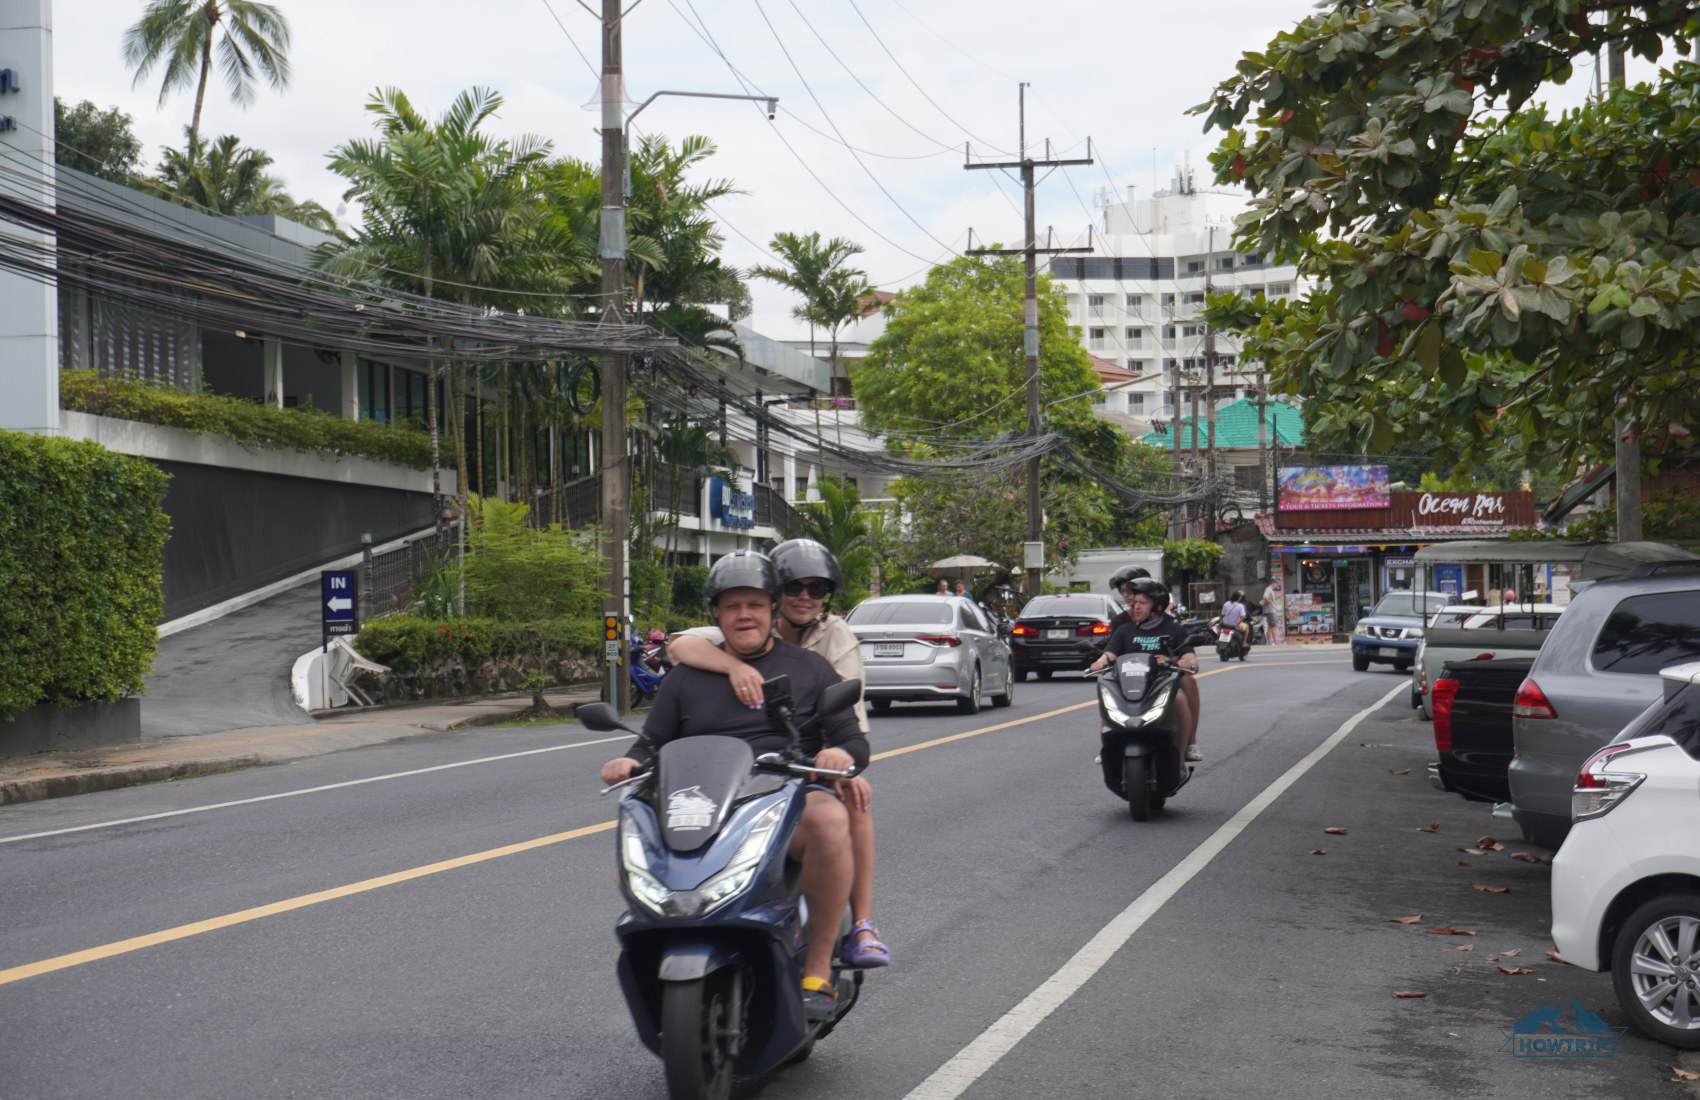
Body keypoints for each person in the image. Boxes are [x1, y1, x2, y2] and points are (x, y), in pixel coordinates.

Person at [601, 551, 867, 1020]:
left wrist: (839, 754)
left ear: (771, 611)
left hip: (782, 798)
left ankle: (819, 971)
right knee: (638, 819)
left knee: (829, 818)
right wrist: (627, 761)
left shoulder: (810, 670)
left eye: (755, 605)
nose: (744, 615)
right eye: (732, 606)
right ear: (716, 616)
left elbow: (849, 737)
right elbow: (651, 741)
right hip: (703, 802)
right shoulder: (686, 676)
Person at [665, 539, 890, 969]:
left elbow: (846, 717)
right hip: (742, 773)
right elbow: (679, 647)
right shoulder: (743, 624)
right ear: (773, 593)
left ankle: (861, 923)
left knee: (854, 799)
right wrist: (735, 666)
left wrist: (839, 757)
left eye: (818, 588)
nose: (805, 597)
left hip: (812, 757)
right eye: (794, 587)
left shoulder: (835, 638)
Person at [1089, 578, 1202, 761]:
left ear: (1157, 607)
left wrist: (1184, 661)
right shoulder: (1125, 630)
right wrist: (1100, 662)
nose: (1137, 607)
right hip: (1131, 682)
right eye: (1136, 603)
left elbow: (1189, 655)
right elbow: (1110, 653)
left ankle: (1181, 757)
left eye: (1143, 603)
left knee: (1180, 700)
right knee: (1109, 694)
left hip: (1162, 682)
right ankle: (1107, 747)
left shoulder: (1175, 630)